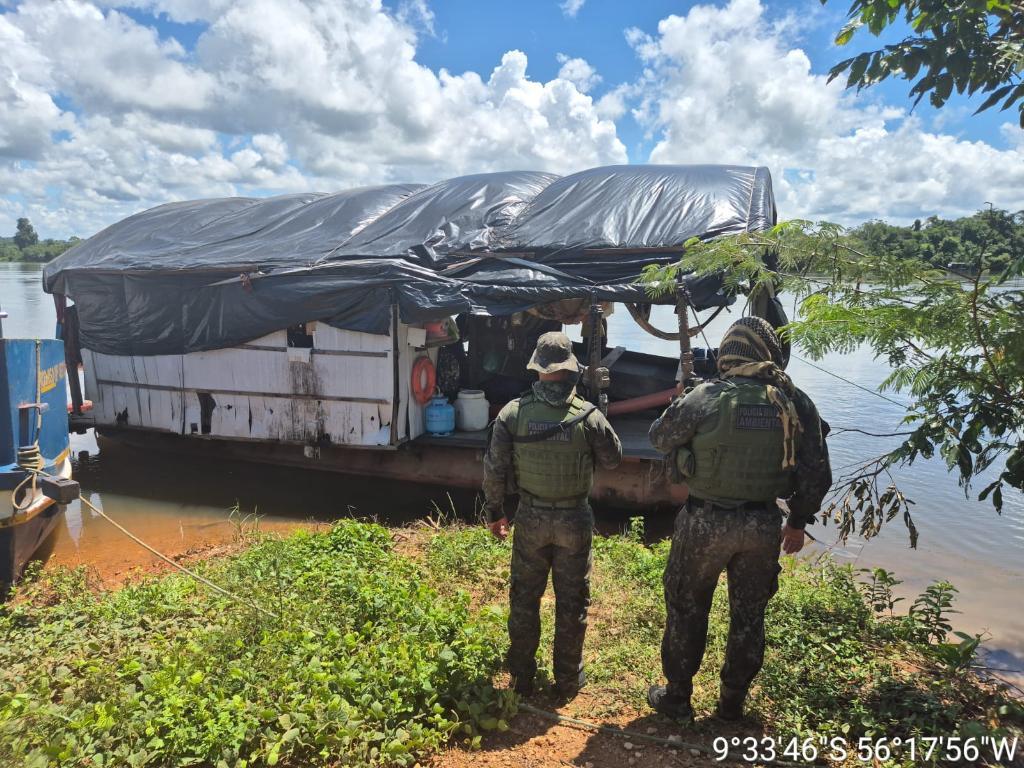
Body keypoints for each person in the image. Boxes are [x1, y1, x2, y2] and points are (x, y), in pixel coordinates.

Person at [647, 316, 832, 721]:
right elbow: (817, 473)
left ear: (727, 354)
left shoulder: (706, 395)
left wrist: (680, 401)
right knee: (749, 616)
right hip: (762, 525)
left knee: (686, 607)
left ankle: (677, 699)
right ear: (769, 353)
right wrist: (797, 522)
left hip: (704, 523)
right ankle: (731, 705)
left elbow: (659, 438)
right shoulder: (795, 402)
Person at [483, 331, 623, 698]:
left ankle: (521, 677)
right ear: (570, 368)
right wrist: (599, 413)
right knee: (572, 602)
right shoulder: (588, 415)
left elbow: (495, 468)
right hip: (574, 519)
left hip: (530, 517)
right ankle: (566, 680)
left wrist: (495, 512)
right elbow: (613, 459)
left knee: (524, 599)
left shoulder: (513, 413)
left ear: (538, 367)